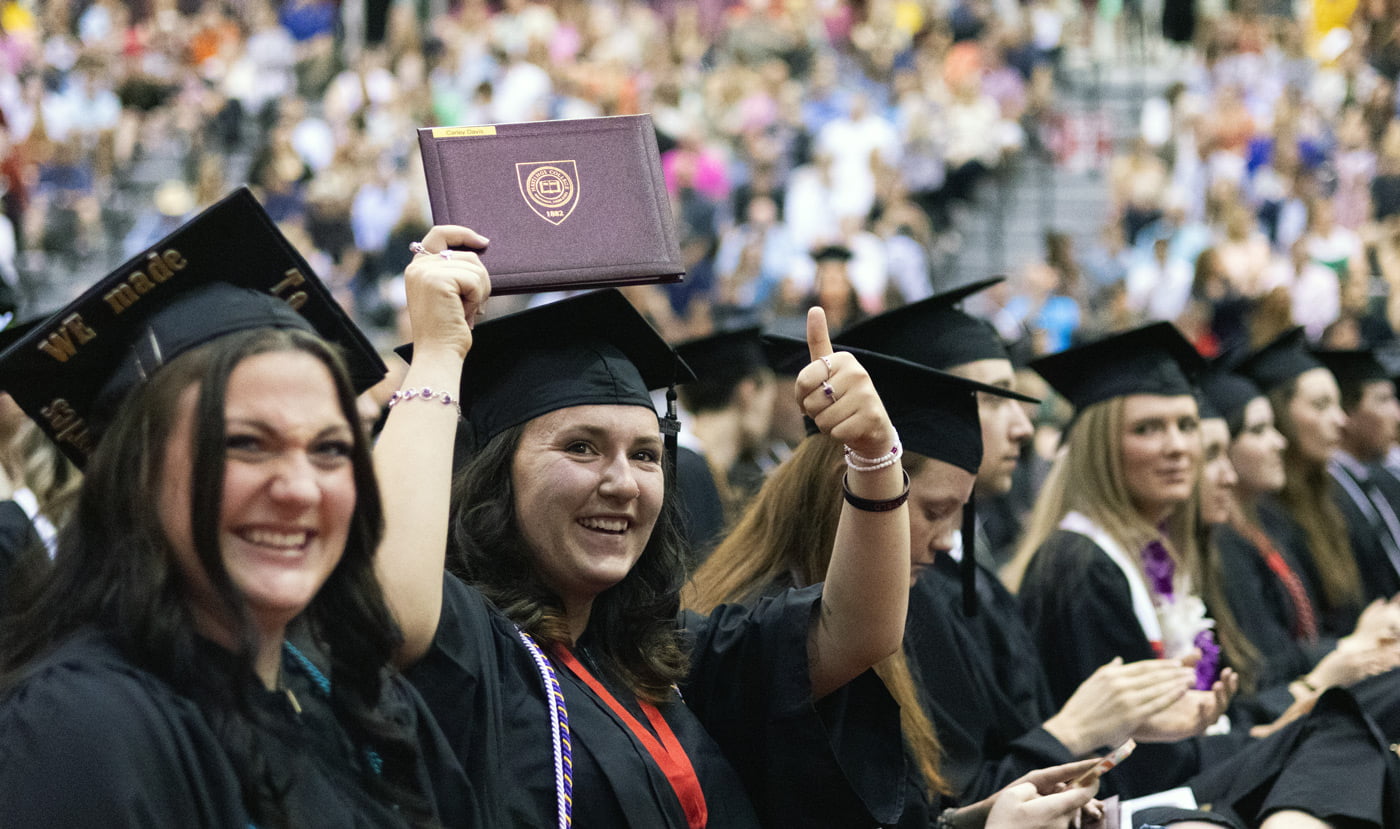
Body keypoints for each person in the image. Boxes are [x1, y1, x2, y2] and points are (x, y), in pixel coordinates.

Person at [376, 225, 910, 828]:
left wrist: (872, 454)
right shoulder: (468, 653)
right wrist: (440, 352)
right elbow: (389, 609)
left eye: (646, 454)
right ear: (498, 478)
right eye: (581, 448)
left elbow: (860, 631)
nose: (624, 482)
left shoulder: (664, 657)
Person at [0, 189, 477, 827]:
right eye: (247, 444)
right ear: (132, 473)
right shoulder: (80, 732)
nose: (300, 489)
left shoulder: (367, 703)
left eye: (331, 449)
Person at [684, 336, 1106, 828]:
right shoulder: (763, 637)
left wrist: (976, 819)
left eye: (958, 516)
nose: (949, 542)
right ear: (857, 487)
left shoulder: (877, 614)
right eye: (933, 511)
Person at [836, 285, 1221, 803]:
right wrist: (1076, 732)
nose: (1023, 426)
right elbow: (954, 796)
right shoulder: (907, 592)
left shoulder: (964, 571)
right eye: (994, 398)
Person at [1233, 329, 1364, 637]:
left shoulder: (1333, 498)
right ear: (1280, 415)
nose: (1340, 420)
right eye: (1320, 405)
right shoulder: (1264, 516)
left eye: (1338, 404)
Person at [1314, 348, 1400, 603]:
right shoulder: (1328, 495)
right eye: (1382, 400)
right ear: (1347, 413)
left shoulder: (1385, 480)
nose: (1396, 415)